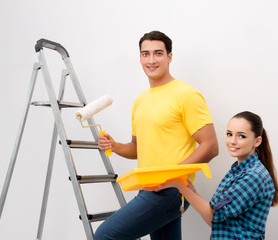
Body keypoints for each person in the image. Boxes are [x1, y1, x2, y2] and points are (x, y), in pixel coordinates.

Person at [94, 30, 219, 240]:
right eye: (146, 54)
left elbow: (210, 146)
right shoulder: (140, 101)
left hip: (170, 190)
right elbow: (136, 148)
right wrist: (114, 145)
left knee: (105, 236)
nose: (151, 60)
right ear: (140, 58)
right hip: (148, 188)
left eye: (158, 53)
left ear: (169, 57)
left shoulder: (187, 95)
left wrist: (173, 177)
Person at [148, 111, 278, 239]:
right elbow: (216, 222)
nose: (232, 141)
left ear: (257, 141)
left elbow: (214, 215)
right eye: (229, 134)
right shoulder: (238, 171)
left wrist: (179, 185)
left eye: (241, 136)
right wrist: (189, 189)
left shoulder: (253, 176)